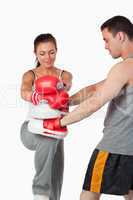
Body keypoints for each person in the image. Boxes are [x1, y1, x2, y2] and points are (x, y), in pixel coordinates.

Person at [43, 16, 133, 199]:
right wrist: (66, 101)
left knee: (89, 194)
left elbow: (95, 102)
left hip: (116, 148)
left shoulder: (124, 68)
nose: (105, 46)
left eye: (106, 40)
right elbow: (95, 89)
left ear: (121, 36)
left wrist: (59, 121)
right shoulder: (125, 71)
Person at [20, 33, 72, 200]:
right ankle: (40, 193)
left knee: (56, 175)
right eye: (42, 53)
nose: (47, 57)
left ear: (57, 51)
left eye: (51, 52)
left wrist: (59, 88)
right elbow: (24, 89)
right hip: (31, 129)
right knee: (48, 138)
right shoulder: (30, 74)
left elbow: (66, 83)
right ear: (35, 53)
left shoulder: (63, 74)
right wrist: (32, 95)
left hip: (56, 129)